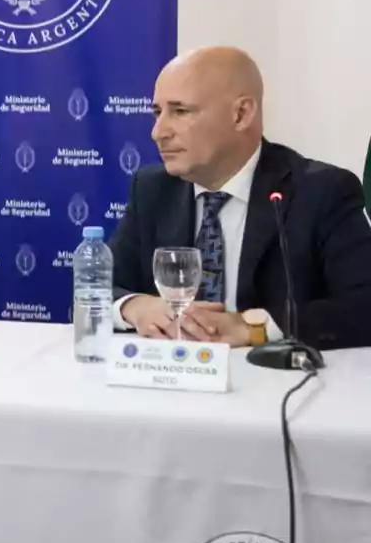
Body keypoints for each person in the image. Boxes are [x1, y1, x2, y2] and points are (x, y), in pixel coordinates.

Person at [109, 46, 371, 350]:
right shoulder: (152, 189)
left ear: (241, 114)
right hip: (170, 381)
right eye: (157, 112)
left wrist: (252, 327)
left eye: (180, 111)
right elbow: (94, 290)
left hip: (274, 386)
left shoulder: (322, 191)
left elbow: (364, 306)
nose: (158, 131)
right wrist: (134, 306)